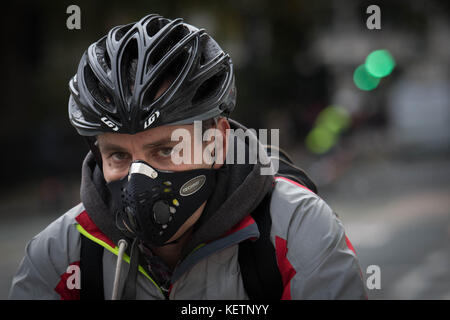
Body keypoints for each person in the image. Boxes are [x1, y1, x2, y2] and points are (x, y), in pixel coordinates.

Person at [9, 13, 367, 300]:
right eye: (118, 155)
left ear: (216, 142)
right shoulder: (60, 253)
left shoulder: (295, 226)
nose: (138, 178)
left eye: (166, 150)